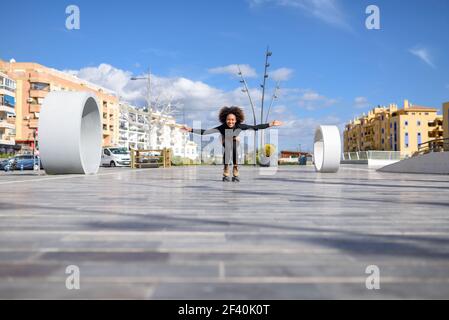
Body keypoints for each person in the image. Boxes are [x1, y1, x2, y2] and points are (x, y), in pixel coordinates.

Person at [182, 106, 283, 182]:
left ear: (236, 120)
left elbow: (255, 127)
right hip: (224, 140)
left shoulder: (239, 126)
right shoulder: (222, 127)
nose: (230, 121)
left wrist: (271, 124)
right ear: (225, 120)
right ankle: (226, 167)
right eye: (228, 120)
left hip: (235, 141)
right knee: (228, 145)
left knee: (233, 145)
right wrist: (190, 129)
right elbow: (205, 132)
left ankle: (235, 167)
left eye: (232, 120)